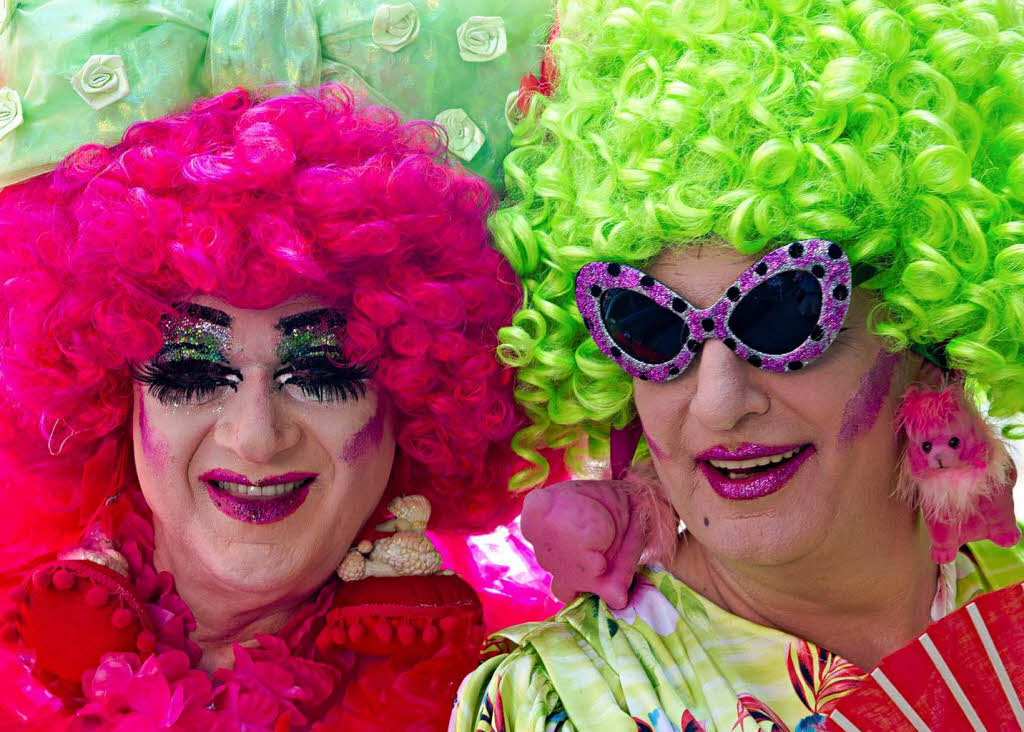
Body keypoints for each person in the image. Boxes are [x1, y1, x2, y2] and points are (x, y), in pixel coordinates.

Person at [451, 0, 1024, 729]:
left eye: (783, 310)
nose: (719, 403)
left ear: (930, 330)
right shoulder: (560, 703)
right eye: (649, 325)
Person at [0, 1, 557, 729]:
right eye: (192, 372)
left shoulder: (523, 697)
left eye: (322, 371)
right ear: (113, 394)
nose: (256, 438)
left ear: (417, 403)